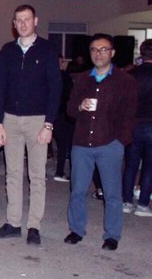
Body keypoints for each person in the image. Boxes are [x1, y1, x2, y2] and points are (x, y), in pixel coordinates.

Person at [0, 5, 61, 245]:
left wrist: (49, 124)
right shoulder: (8, 50)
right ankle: (13, 223)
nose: (22, 24)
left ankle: (34, 226)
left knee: (37, 175)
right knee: (12, 174)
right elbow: (0, 87)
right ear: (14, 24)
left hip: (37, 120)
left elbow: (55, 88)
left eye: (27, 19)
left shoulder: (47, 49)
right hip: (10, 119)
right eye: (18, 20)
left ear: (35, 21)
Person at [64, 34, 137, 251]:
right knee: (78, 190)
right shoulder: (82, 78)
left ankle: (112, 235)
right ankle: (76, 229)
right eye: (94, 50)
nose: (98, 54)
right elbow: (69, 109)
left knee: (112, 193)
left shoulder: (125, 81)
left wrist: (120, 142)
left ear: (112, 53)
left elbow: (130, 115)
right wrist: (79, 106)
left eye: (103, 49)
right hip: (82, 144)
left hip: (109, 144)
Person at [122, 39, 152, 215]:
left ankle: (126, 201)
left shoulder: (131, 75)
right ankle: (142, 204)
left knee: (131, 165)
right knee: (149, 166)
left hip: (133, 124)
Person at [53, 54, 75, 182]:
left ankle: (58, 171)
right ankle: (61, 171)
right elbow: (70, 94)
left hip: (52, 113)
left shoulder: (46, 76)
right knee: (67, 144)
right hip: (63, 113)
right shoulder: (64, 76)